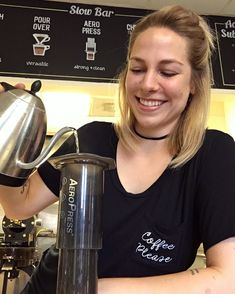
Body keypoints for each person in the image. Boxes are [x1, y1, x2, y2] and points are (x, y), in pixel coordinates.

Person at [0, 4, 235, 294]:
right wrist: (7, 142)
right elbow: (18, 205)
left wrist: (90, 289)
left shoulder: (213, 155)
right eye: (137, 68)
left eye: (168, 72)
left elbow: (227, 278)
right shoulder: (90, 138)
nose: (148, 84)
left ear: (194, 83)